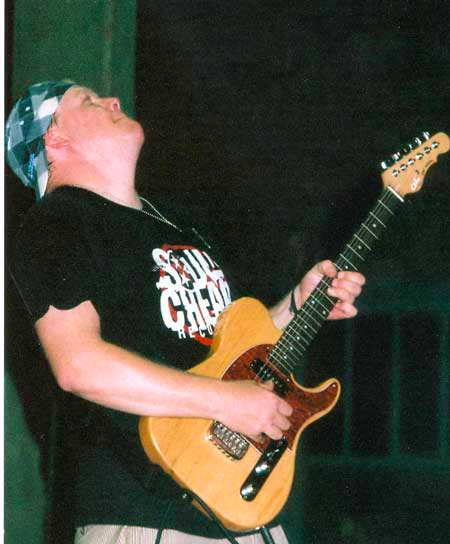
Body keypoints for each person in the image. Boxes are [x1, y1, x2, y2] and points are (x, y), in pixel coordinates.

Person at [5, 80, 366, 544]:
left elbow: (220, 352)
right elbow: (79, 366)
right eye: (89, 101)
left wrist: (295, 306)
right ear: (54, 138)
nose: (113, 101)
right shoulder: (58, 223)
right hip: (148, 513)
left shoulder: (177, 223)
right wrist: (227, 403)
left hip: (243, 511)